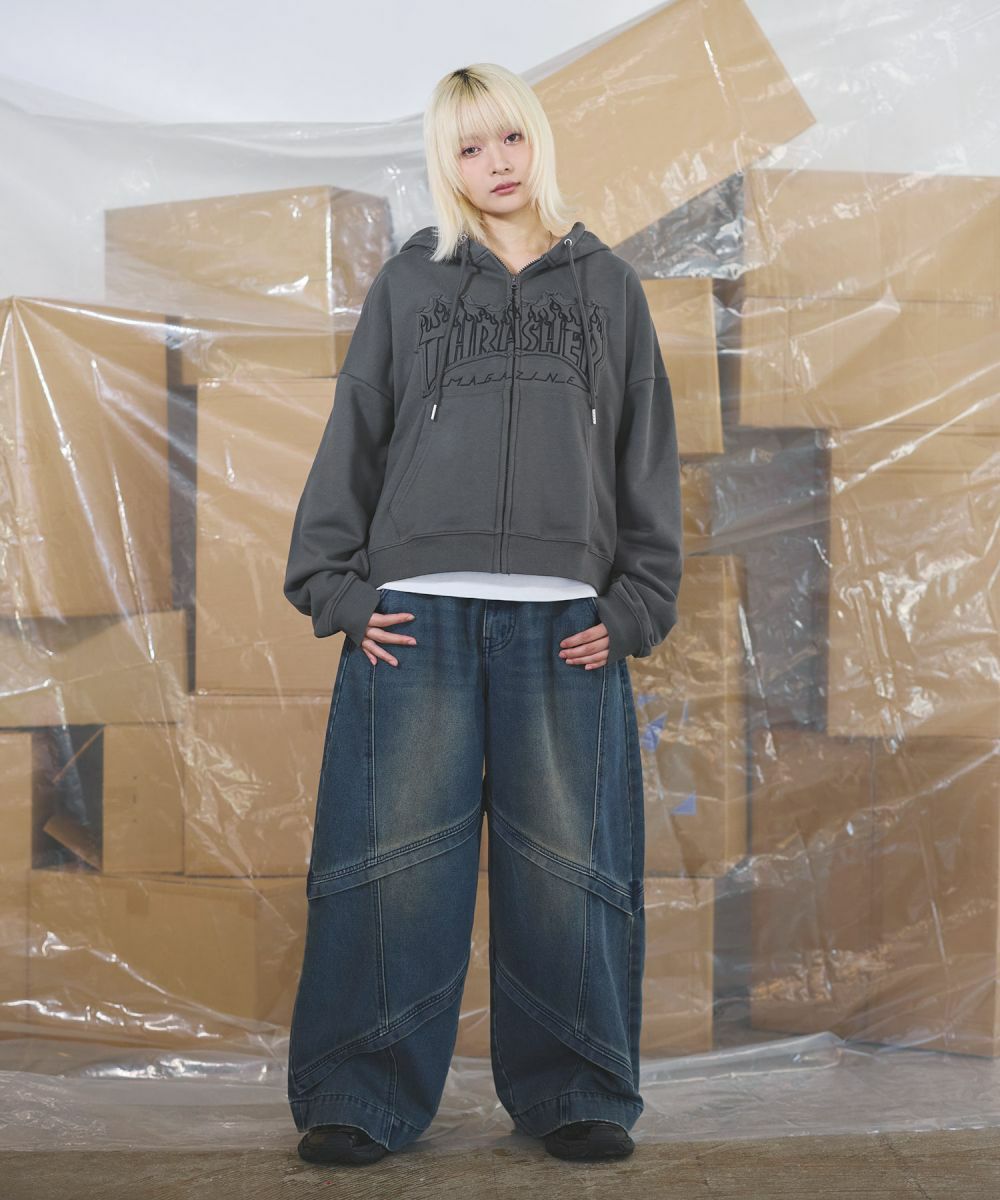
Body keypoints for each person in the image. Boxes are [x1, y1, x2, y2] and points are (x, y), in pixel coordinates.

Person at [283, 62, 683, 1166]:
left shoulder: (609, 288)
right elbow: (354, 437)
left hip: (567, 630)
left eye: (508, 137)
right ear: (444, 163)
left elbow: (646, 457)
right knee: (391, 865)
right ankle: (358, 1095)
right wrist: (339, 592)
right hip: (414, 623)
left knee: (568, 867)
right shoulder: (410, 284)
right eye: (468, 147)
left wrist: (637, 606)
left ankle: (576, 1091)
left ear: (537, 139)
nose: (495, 163)